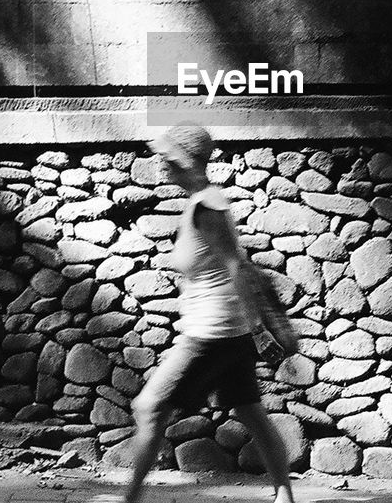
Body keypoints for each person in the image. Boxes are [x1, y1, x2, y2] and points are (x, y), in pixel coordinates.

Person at [120, 122, 295, 503]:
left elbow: (237, 267)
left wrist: (260, 332)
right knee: (251, 413)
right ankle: (285, 496)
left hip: (211, 333)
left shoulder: (208, 207)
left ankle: (129, 501)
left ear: (188, 161)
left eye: (168, 159)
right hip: (226, 332)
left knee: (149, 408)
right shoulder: (203, 200)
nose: (162, 166)